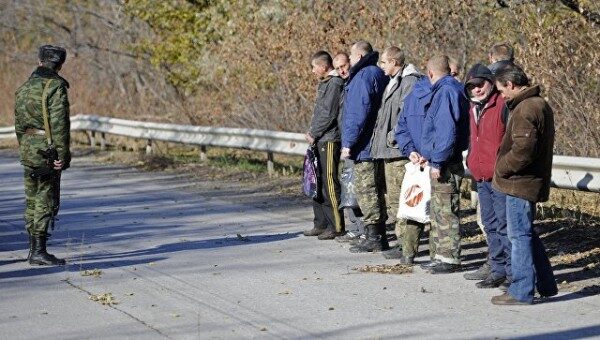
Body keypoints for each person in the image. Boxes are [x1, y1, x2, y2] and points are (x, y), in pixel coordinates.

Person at [491, 64, 558, 305]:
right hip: (528, 181)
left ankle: (521, 290)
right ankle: (546, 284)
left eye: (501, 90)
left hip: (520, 183)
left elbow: (523, 152)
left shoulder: (526, 108)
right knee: (527, 234)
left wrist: (501, 167)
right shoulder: (537, 104)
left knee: (518, 236)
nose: (501, 96)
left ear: (510, 84)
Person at [14, 45, 71, 266]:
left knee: (31, 197)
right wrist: (63, 156)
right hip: (47, 148)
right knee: (46, 198)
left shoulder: (24, 87)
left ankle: (33, 249)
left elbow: (18, 123)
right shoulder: (55, 86)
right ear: (59, 65)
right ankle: (39, 251)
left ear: (40, 61)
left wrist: (24, 145)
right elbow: (59, 125)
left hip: (28, 145)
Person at [462, 64, 511, 289]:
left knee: (504, 225)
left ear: (490, 83)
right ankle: (497, 269)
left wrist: (503, 166)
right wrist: (472, 160)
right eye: (472, 86)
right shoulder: (473, 108)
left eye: (480, 84)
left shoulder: (501, 104)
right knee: (489, 224)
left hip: (499, 176)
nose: (477, 89)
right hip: (481, 175)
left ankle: (512, 273)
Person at [419, 55, 469, 274]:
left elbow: (445, 131)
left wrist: (437, 160)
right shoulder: (449, 89)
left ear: (430, 73)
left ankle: (449, 258)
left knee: (446, 209)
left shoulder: (446, 92)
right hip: (443, 158)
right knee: (439, 209)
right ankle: (441, 255)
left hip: (446, 161)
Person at [370, 46, 421, 259]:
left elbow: (405, 114)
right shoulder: (394, 81)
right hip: (388, 151)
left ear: (394, 62)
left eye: (384, 62)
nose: (381, 66)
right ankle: (401, 243)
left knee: (401, 200)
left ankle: (406, 246)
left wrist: (393, 136)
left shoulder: (409, 82)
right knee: (393, 200)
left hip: (399, 151)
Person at [340, 40, 389, 253]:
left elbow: (357, 112)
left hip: (365, 145)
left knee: (367, 191)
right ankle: (379, 234)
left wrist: (348, 142)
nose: (349, 61)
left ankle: (374, 237)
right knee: (376, 190)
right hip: (376, 142)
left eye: (350, 57)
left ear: (359, 56)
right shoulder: (377, 72)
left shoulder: (363, 76)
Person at [303, 51, 346, 240]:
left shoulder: (335, 83)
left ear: (323, 66)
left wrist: (314, 133)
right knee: (316, 181)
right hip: (319, 138)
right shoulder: (325, 83)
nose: (313, 71)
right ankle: (320, 223)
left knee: (329, 182)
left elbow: (329, 114)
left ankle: (335, 224)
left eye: (314, 67)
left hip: (329, 139)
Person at [394, 76, 432, 264]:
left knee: (415, 204)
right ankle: (438, 255)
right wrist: (431, 154)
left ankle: (408, 253)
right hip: (435, 160)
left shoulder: (411, 97)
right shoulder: (442, 94)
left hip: (417, 160)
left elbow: (401, 129)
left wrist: (411, 151)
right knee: (439, 210)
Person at [333, 52, 367, 244]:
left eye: (344, 66)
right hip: (345, 143)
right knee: (348, 188)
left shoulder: (357, 83)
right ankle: (355, 227)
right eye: (338, 68)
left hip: (355, 145)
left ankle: (363, 229)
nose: (342, 70)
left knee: (357, 188)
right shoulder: (344, 85)